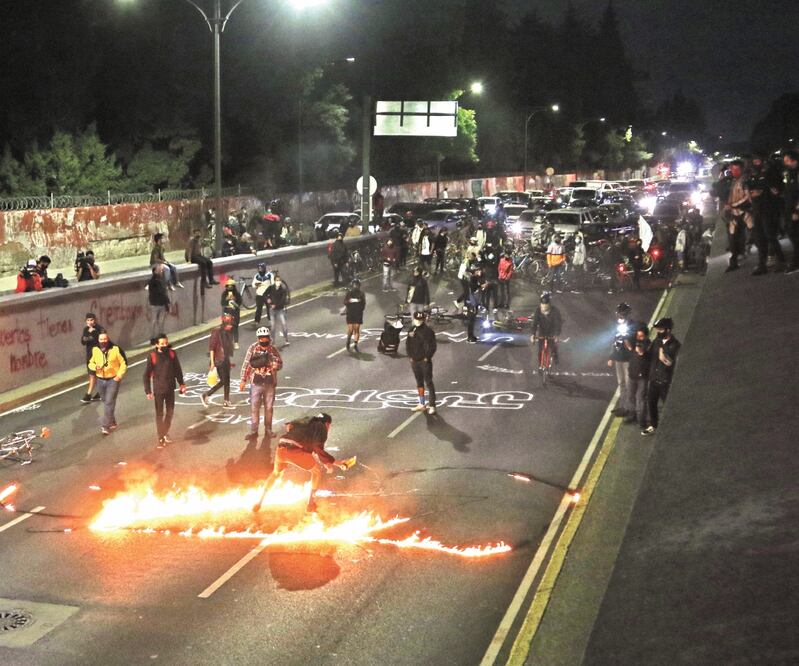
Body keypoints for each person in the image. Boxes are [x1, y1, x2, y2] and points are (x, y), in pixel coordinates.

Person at [259, 413, 352, 513]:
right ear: (327, 424)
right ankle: (311, 504)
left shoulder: (307, 422)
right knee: (316, 471)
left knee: (276, 473)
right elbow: (317, 447)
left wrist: (332, 462)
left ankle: (259, 501)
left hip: (281, 447)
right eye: (329, 426)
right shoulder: (321, 427)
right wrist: (331, 463)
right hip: (295, 450)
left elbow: (289, 426)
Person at [240, 327, 283, 441]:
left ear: (269, 338)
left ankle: (268, 429)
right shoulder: (253, 348)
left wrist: (272, 362)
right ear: (258, 339)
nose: (264, 341)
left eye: (266, 338)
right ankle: (254, 431)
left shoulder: (273, 350)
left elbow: (280, 363)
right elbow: (247, 364)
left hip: (269, 383)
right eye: (261, 339)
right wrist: (243, 380)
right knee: (255, 407)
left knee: (269, 408)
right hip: (256, 383)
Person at [144, 334, 186, 448]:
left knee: (170, 412)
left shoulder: (172, 353)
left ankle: (164, 432)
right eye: (162, 343)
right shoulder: (152, 356)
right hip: (158, 389)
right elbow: (146, 375)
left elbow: (178, 369)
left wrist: (181, 383)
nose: (164, 345)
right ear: (157, 344)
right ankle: (161, 437)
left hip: (170, 388)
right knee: (159, 414)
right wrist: (148, 391)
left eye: (166, 343)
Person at [643, 317, 681, 435]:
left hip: (665, 381)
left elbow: (670, 362)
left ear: (668, 330)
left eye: (660, 329)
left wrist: (662, 355)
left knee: (669, 405)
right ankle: (654, 425)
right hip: (654, 378)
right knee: (651, 403)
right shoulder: (656, 341)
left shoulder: (675, 345)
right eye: (657, 329)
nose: (658, 332)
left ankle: (675, 426)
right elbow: (649, 355)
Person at [87, 332, 127, 435]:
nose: (103, 341)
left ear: (108, 339)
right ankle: (112, 422)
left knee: (109, 402)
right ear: (98, 340)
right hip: (100, 380)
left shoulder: (116, 349)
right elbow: (90, 363)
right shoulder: (95, 350)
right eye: (101, 339)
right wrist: (95, 367)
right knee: (106, 401)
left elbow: (124, 363)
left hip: (113, 380)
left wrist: (119, 376)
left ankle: (105, 426)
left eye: (105, 339)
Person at [406, 311, 437, 415]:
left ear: (423, 320)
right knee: (419, 383)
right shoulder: (411, 329)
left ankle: (432, 405)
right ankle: (422, 403)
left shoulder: (428, 331)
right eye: (416, 319)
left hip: (424, 362)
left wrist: (427, 357)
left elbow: (433, 346)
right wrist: (410, 356)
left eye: (420, 320)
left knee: (428, 382)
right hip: (414, 361)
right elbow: (408, 344)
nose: (418, 321)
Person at [202, 314, 236, 408]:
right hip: (219, 360)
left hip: (226, 359)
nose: (231, 326)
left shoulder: (229, 332)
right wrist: (212, 363)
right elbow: (212, 348)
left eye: (231, 324)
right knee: (224, 381)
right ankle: (207, 394)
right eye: (229, 324)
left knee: (227, 381)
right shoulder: (216, 332)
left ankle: (226, 401)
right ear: (225, 324)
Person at [608, 302, 635, 419]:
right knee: (621, 384)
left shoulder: (633, 326)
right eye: (619, 314)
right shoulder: (616, 326)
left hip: (628, 359)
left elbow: (632, 345)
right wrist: (611, 357)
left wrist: (626, 338)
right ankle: (623, 406)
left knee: (630, 384)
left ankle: (631, 409)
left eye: (622, 314)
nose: (620, 316)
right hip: (618, 358)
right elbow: (614, 342)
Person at [723, 160, 749, 272]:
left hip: (745, 213)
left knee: (757, 236)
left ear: (742, 169)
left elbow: (747, 197)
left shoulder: (745, 180)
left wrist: (732, 205)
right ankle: (734, 260)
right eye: (733, 169)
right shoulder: (734, 180)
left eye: (737, 169)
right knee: (732, 238)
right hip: (734, 213)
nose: (734, 171)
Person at [626, 325, 651, 428]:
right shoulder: (634, 340)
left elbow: (641, 351)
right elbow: (628, 345)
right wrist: (625, 337)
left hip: (642, 377)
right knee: (630, 397)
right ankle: (633, 416)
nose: (639, 337)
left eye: (641, 335)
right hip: (632, 375)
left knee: (640, 399)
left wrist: (639, 348)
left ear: (645, 335)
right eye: (638, 335)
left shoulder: (648, 343)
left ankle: (642, 422)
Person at [530, 292, 563, 368]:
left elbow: (558, 324)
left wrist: (556, 335)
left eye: (546, 305)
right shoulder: (538, 311)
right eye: (542, 305)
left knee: (553, 346)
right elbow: (534, 323)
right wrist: (533, 334)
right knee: (540, 349)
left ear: (549, 304)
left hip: (552, 331)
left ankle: (555, 355)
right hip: (542, 331)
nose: (544, 306)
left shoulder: (555, 311)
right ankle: (540, 365)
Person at [80, 313, 104, 403]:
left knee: (95, 374)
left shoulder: (99, 329)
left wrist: (89, 336)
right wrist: (87, 337)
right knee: (92, 374)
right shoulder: (85, 329)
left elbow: (97, 340)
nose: (90, 322)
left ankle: (89, 394)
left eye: (91, 320)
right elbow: (83, 341)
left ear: (95, 320)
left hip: (98, 354)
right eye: (88, 320)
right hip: (89, 354)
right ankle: (100, 392)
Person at [781, 150, 799, 274]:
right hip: (789, 208)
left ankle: (796, 262)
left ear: (794, 160)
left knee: (795, 235)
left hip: (795, 210)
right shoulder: (789, 173)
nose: (785, 162)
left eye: (787, 160)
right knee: (792, 233)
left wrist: (797, 211)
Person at [264, 273, 291, 346]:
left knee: (284, 324)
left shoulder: (283, 290)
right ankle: (273, 341)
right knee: (272, 327)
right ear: (274, 281)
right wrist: (267, 299)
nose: (278, 282)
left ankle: (286, 339)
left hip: (280, 310)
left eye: (279, 280)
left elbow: (282, 300)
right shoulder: (271, 288)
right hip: (272, 310)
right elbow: (264, 294)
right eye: (276, 280)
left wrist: (275, 305)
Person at [147, 265, 171, 341]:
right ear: (155, 271)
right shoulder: (156, 281)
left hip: (156, 303)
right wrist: (167, 302)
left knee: (157, 321)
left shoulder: (156, 280)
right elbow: (162, 292)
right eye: (160, 270)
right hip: (157, 303)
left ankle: (156, 336)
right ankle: (156, 336)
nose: (161, 272)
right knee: (157, 321)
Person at [344, 278, 366, 352]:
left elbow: (363, 304)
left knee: (356, 329)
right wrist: (350, 301)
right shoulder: (349, 293)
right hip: (350, 313)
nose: (355, 286)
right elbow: (345, 302)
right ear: (352, 285)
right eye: (354, 284)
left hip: (358, 314)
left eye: (357, 284)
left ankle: (355, 345)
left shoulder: (361, 294)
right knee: (350, 329)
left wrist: (360, 310)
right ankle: (348, 341)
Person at [221, 278, 243, 348]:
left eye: (231, 286)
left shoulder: (237, 294)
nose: (229, 288)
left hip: (235, 312)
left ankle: (236, 342)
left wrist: (234, 300)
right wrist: (226, 299)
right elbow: (222, 303)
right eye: (228, 286)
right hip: (227, 312)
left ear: (234, 286)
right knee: (227, 327)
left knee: (235, 327)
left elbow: (240, 302)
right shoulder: (224, 294)